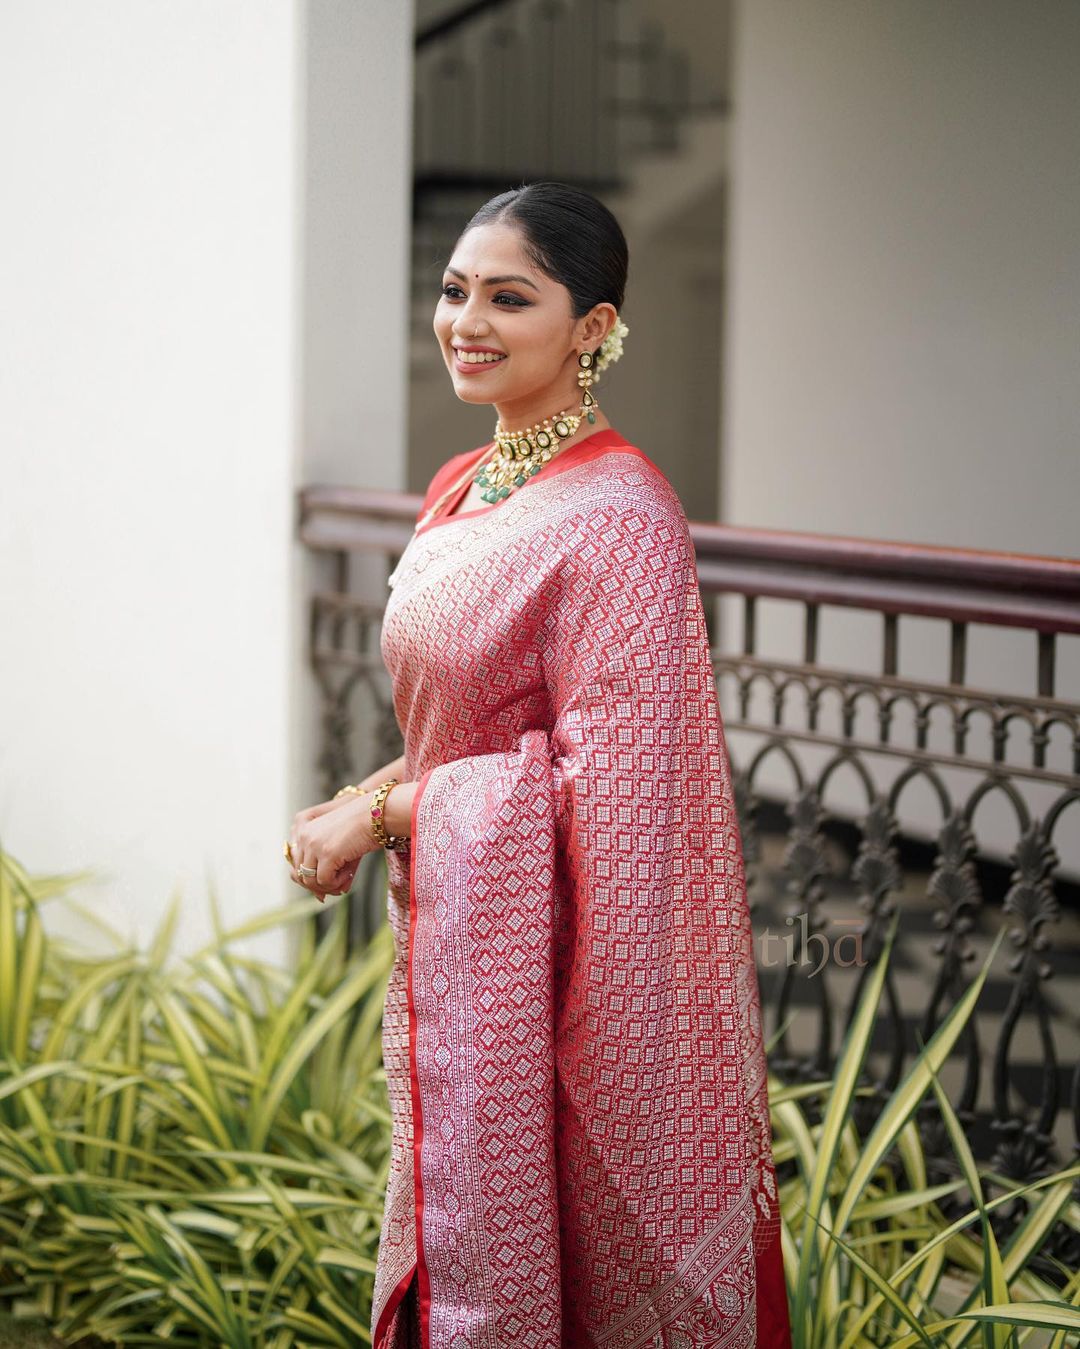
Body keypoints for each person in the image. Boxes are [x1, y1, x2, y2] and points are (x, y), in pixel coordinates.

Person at [285, 181, 792, 1348]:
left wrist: (386, 816)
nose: (467, 319)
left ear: (594, 328)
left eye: (511, 297)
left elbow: (614, 791)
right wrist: (370, 795)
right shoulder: (465, 485)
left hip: (562, 974)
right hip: (468, 941)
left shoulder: (621, 516)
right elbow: (467, 721)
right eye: (456, 290)